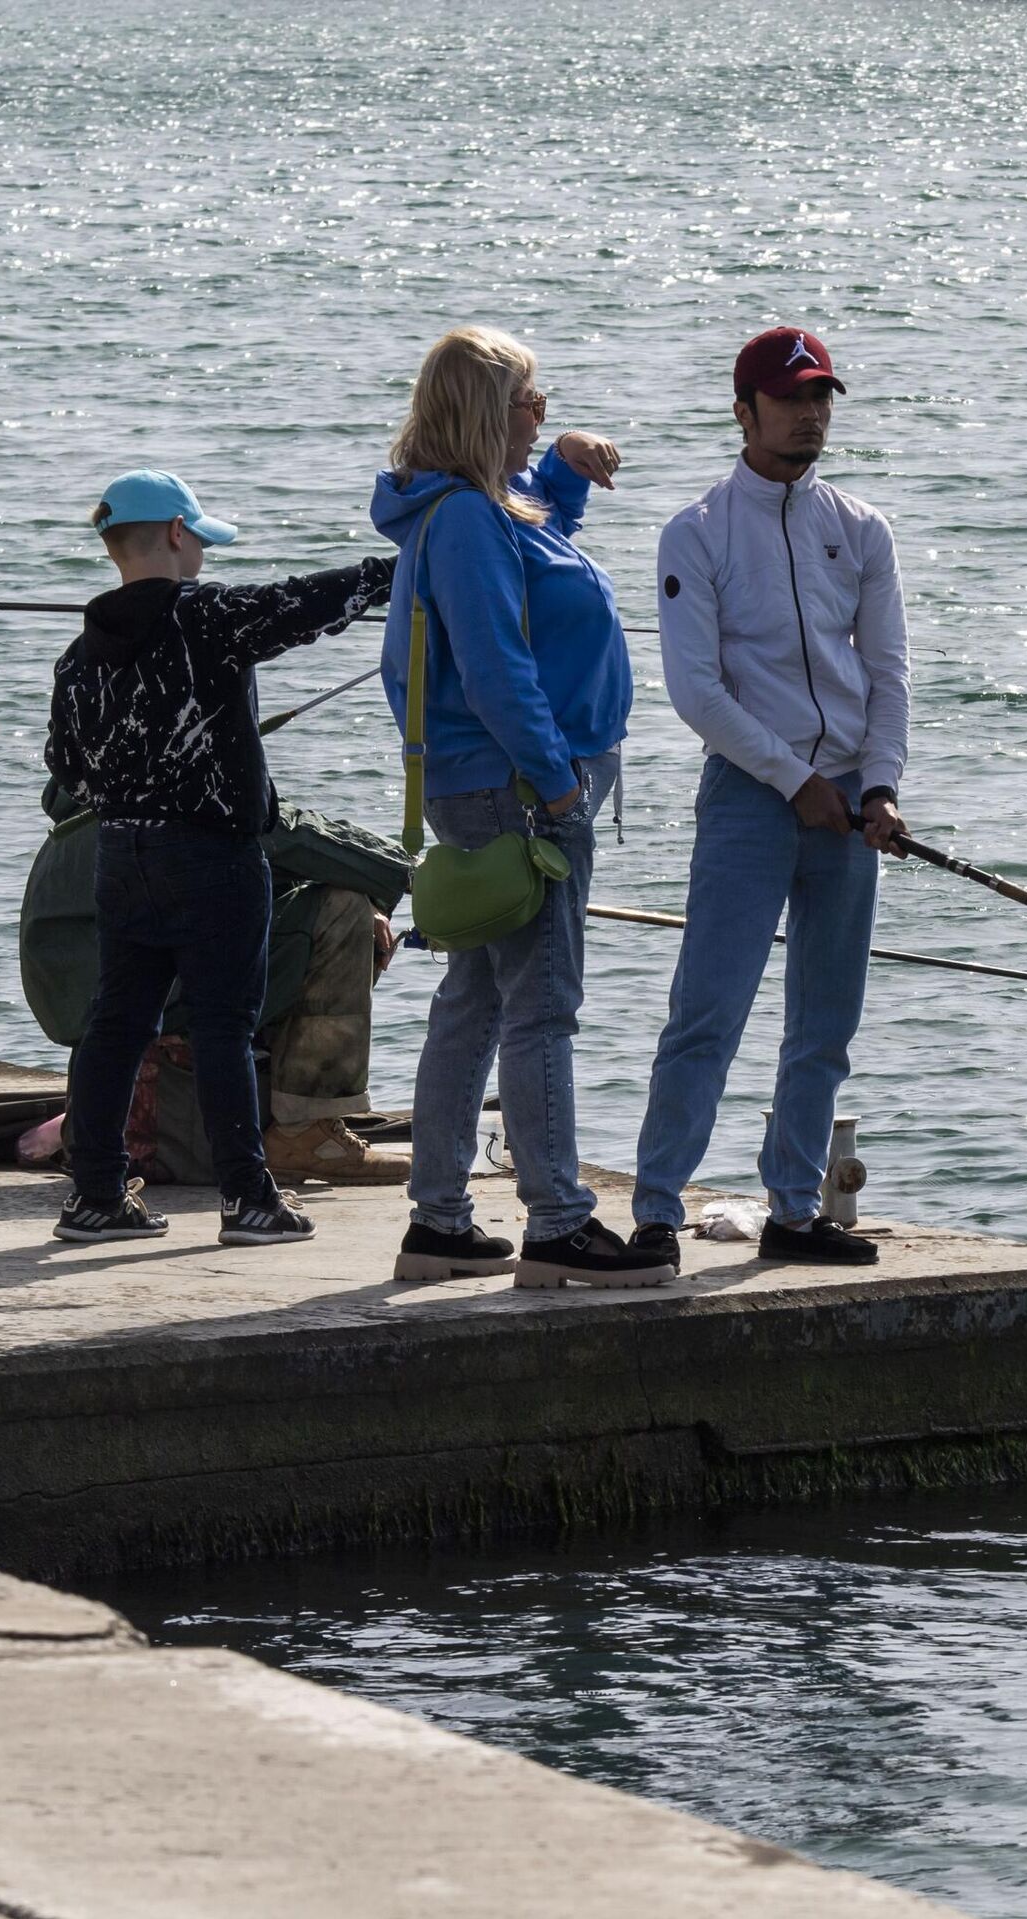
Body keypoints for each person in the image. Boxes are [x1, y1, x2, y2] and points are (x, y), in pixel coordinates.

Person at [373, 324, 669, 1289]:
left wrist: (564, 468)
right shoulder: (464, 519)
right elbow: (497, 665)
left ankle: (439, 1219)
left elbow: (540, 553)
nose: (542, 414)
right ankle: (557, 1220)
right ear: (482, 415)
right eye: (529, 402)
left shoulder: (474, 508)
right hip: (516, 789)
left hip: (494, 782)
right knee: (541, 1005)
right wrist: (556, 782)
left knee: (474, 1000)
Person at [46, 469, 397, 1246]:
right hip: (214, 857)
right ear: (176, 533)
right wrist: (394, 571)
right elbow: (303, 603)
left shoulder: (77, 658)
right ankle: (248, 1199)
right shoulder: (205, 617)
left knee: (117, 1024)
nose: (202, 548)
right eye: (198, 534)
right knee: (223, 1026)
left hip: (121, 854)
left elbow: (66, 768)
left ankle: (96, 1196)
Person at [629, 326, 911, 1271]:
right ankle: (656, 1211)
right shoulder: (697, 530)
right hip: (751, 795)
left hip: (849, 802)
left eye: (821, 396)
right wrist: (793, 780)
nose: (809, 414)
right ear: (743, 412)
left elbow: (889, 674)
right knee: (706, 1012)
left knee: (826, 1023)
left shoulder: (862, 528)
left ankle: (795, 1206)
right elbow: (696, 692)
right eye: (790, 399)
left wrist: (881, 786)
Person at [21, 791, 414, 1185]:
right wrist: (409, 873)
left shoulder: (73, 827)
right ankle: (304, 1131)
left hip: (101, 1008)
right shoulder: (177, 786)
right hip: (159, 992)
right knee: (344, 911)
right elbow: (281, 831)